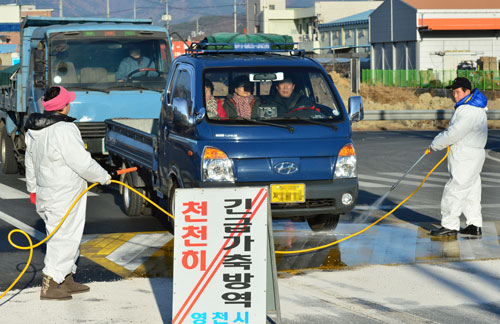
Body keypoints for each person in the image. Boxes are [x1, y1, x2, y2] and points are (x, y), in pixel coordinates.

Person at [24, 86, 112, 300]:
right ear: (63, 106)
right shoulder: (64, 129)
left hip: (48, 192)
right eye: (68, 101)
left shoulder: (34, 129)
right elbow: (81, 162)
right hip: (65, 194)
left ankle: (66, 279)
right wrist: (104, 177)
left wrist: (33, 189)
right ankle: (50, 283)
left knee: (67, 237)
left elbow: (30, 161)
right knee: (63, 238)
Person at [428, 77, 488, 237]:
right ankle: (474, 225)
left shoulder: (467, 110)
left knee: (455, 189)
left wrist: (435, 144)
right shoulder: (477, 108)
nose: (454, 95)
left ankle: (449, 225)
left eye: (457, 92)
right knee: (471, 190)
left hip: (466, 155)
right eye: (453, 92)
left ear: (467, 92)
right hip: (473, 154)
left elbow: (453, 133)